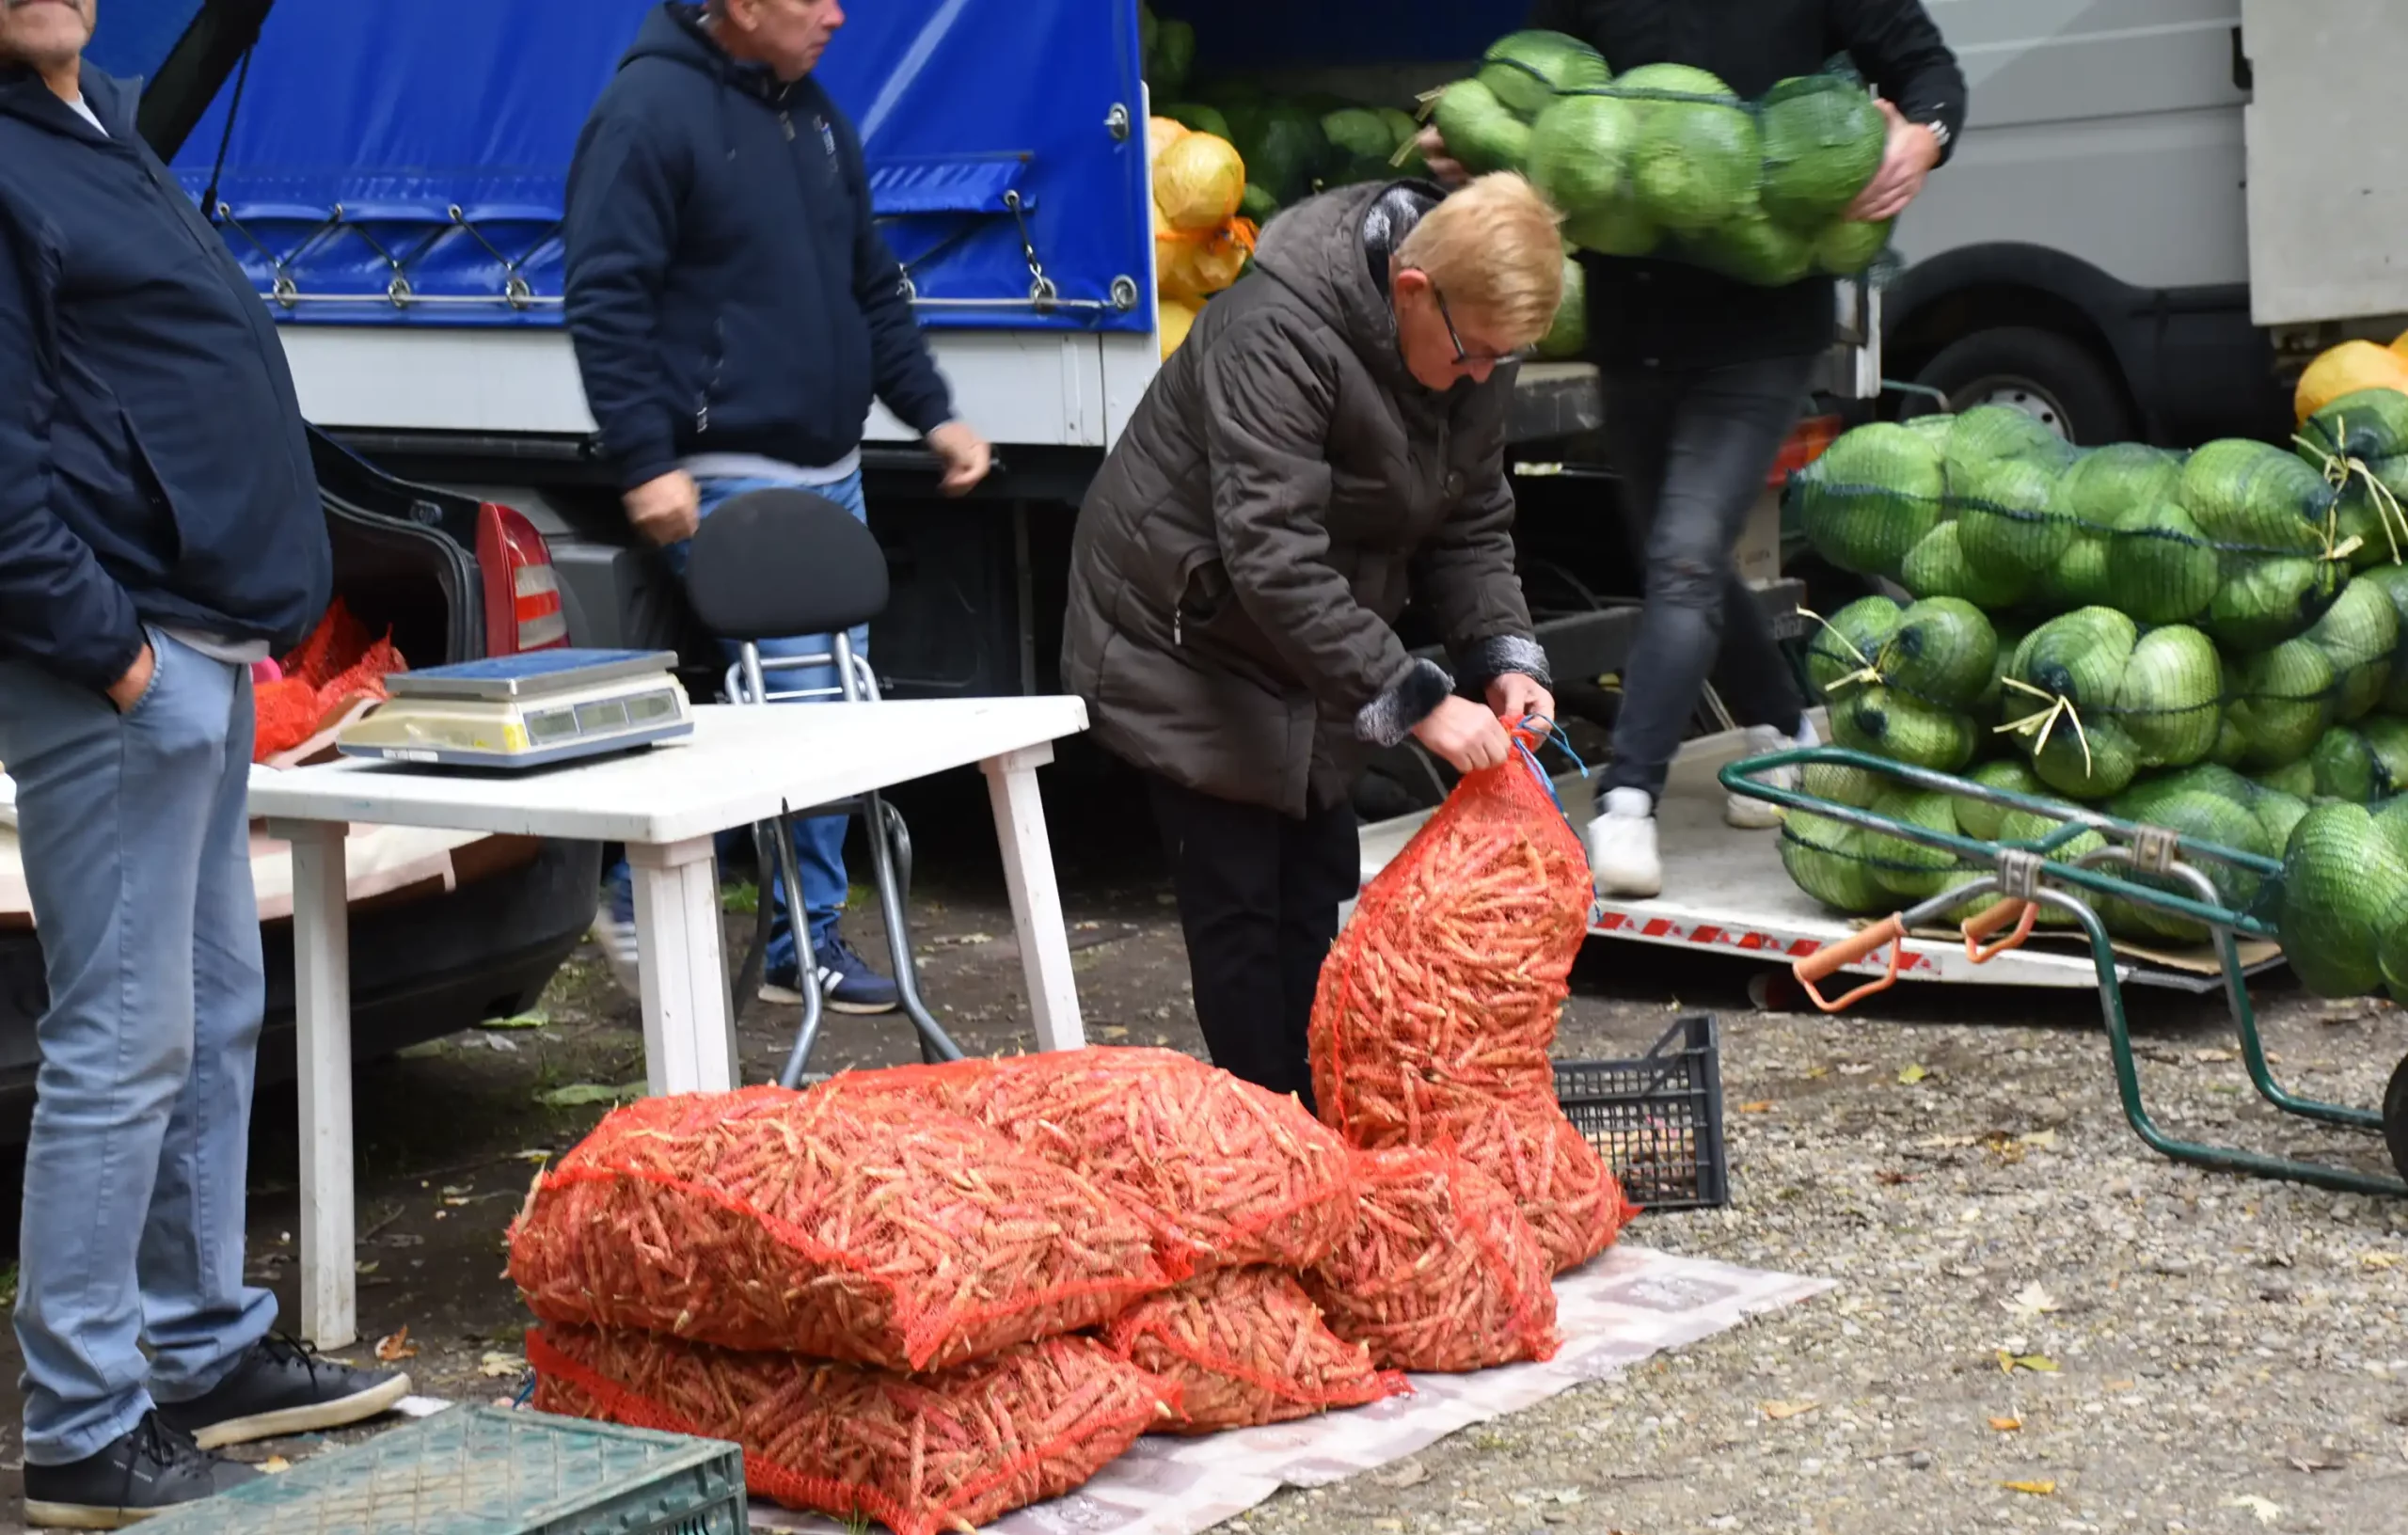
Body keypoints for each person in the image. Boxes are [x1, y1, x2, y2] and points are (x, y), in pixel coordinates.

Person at [0, 0, 410, 1529]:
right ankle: (85, 1428)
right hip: (118, 663)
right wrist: (110, 649)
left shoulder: (95, 114)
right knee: (124, 1038)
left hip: (202, 646)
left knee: (215, 1005)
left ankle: (199, 1347)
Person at [1423, 1, 1967, 898]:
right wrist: (1471, 145)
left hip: (1765, 327)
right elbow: (1535, 96)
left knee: (1679, 558)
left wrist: (1922, 139)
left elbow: (1929, 71)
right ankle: (1787, 730)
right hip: (1634, 325)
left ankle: (1626, 799)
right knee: (1687, 557)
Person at [1062, 172, 1565, 1111]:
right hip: (1190, 634)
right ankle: (1273, 1142)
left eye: (1506, 358)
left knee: (1319, 885)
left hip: (1315, 635)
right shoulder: (1274, 332)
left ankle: (1315, 1129)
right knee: (1242, 908)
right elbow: (1271, 559)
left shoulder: (1469, 337)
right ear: (1412, 290)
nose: (1483, 378)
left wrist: (1501, 654)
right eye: (1473, 356)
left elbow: (1472, 519)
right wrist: (1418, 702)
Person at [564, 0, 993, 1014]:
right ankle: (729, 918)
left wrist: (932, 413)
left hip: (828, 463)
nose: (840, 14)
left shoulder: (810, 112)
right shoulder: (647, 112)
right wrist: (646, 460)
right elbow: (605, 297)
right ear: (745, 5)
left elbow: (872, 287)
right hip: (729, 473)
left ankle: (782, 929)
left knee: (824, 712)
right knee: (799, 720)